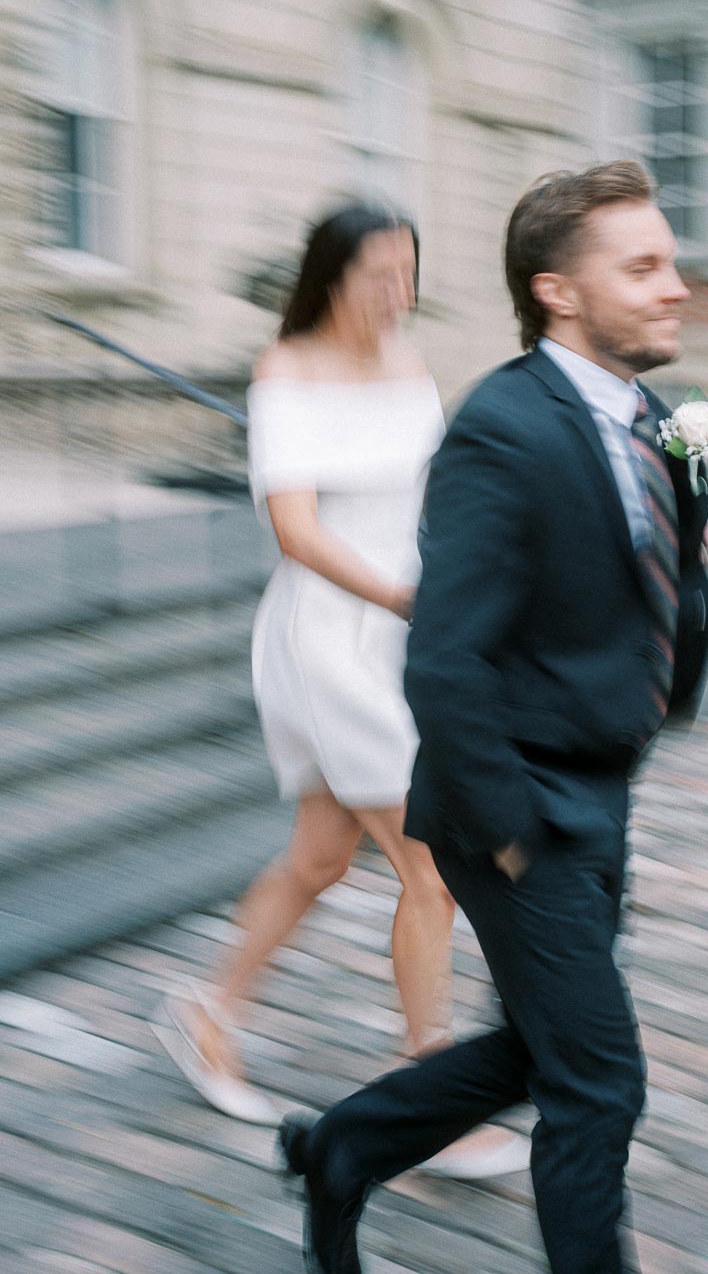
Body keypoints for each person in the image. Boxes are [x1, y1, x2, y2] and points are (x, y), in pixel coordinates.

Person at [277, 161, 708, 1274]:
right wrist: (515, 831)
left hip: (604, 782)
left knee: (540, 1052)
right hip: (521, 808)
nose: (676, 286)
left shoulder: (655, 418)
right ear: (558, 291)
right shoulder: (501, 428)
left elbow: (657, 576)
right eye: (645, 266)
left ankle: (344, 1148)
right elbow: (444, 656)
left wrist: (692, 553)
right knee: (601, 1082)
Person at [155, 205, 527, 1183]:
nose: (397, 292)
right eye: (378, 273)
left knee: (321, 859)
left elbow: (439, 492)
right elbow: (298, 533)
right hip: (330, 635)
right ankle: (429, 1102)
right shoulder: (287, 370)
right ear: (331, 277)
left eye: (409, 271)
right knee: (430, 865)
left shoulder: (410, 363)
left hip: (411, 631)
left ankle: (206, 1011)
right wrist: (402, 596)